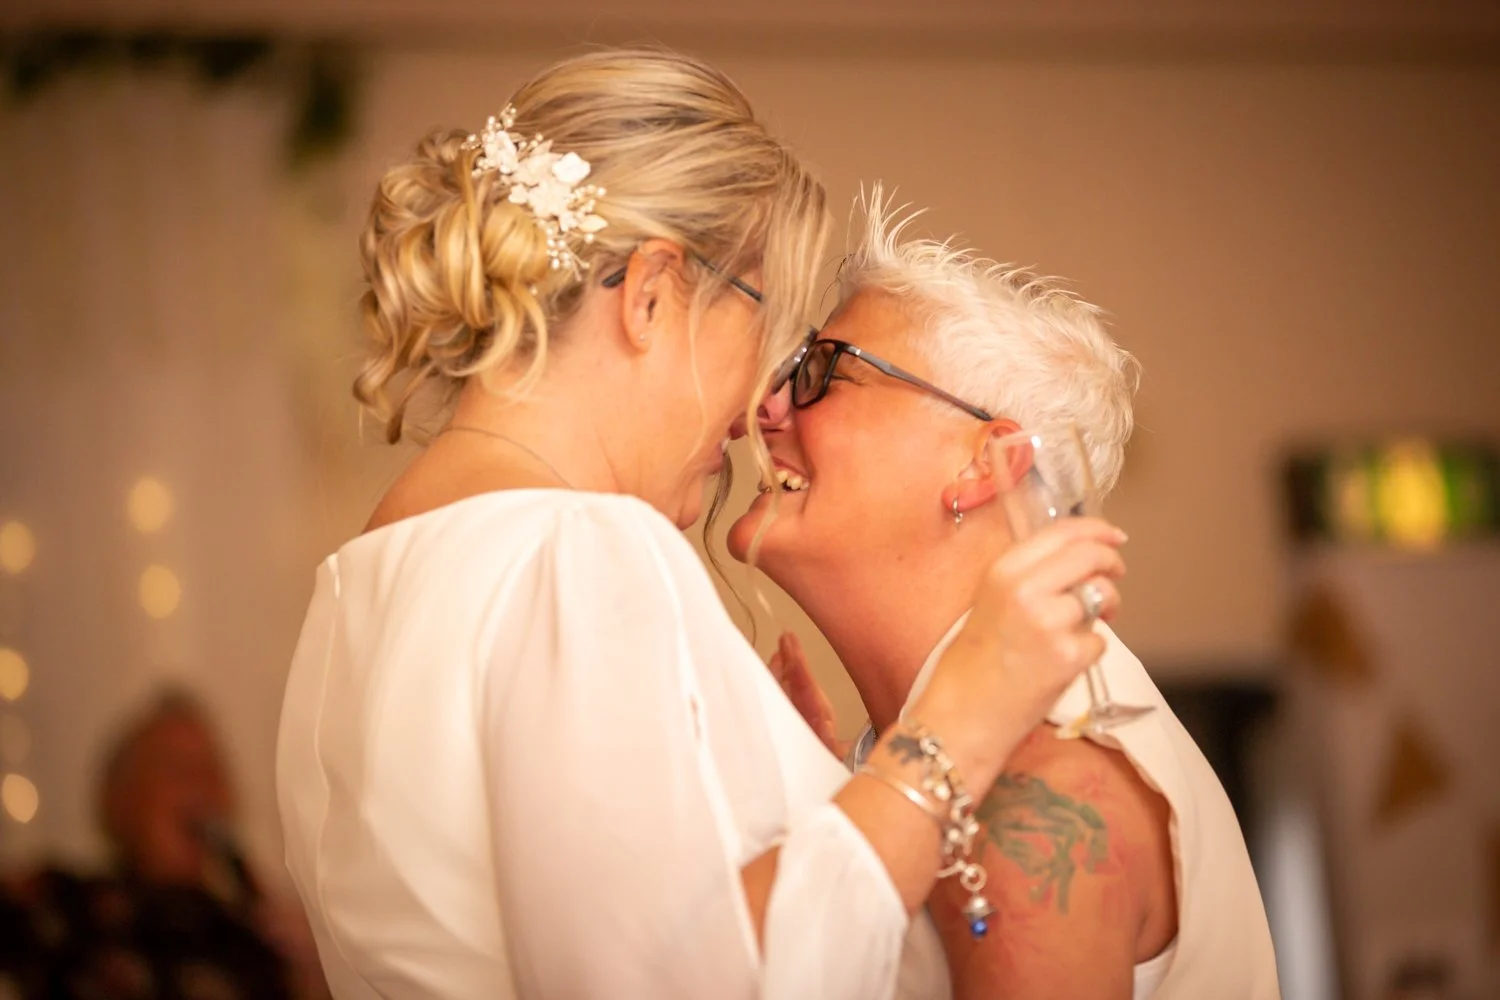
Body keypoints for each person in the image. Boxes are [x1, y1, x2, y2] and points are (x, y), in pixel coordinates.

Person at [275, 48, 1128, 999]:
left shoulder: (358, 585)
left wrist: (770, 789)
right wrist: (952, 727)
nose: (763, 400)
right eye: (765, 330)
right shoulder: (578, 547)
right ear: (649, 295)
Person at [729, 194, 1281, 999]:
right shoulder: (950, 760)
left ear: (983, 465)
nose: (766, 407)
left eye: (823, 372)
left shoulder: (1038, 787)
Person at [0, 690, 324, 1000]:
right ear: (119, 800)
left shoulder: (257, 936)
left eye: (213, 769)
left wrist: (319, 972)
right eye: (176, 768)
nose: (203, 786)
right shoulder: (61, 905)